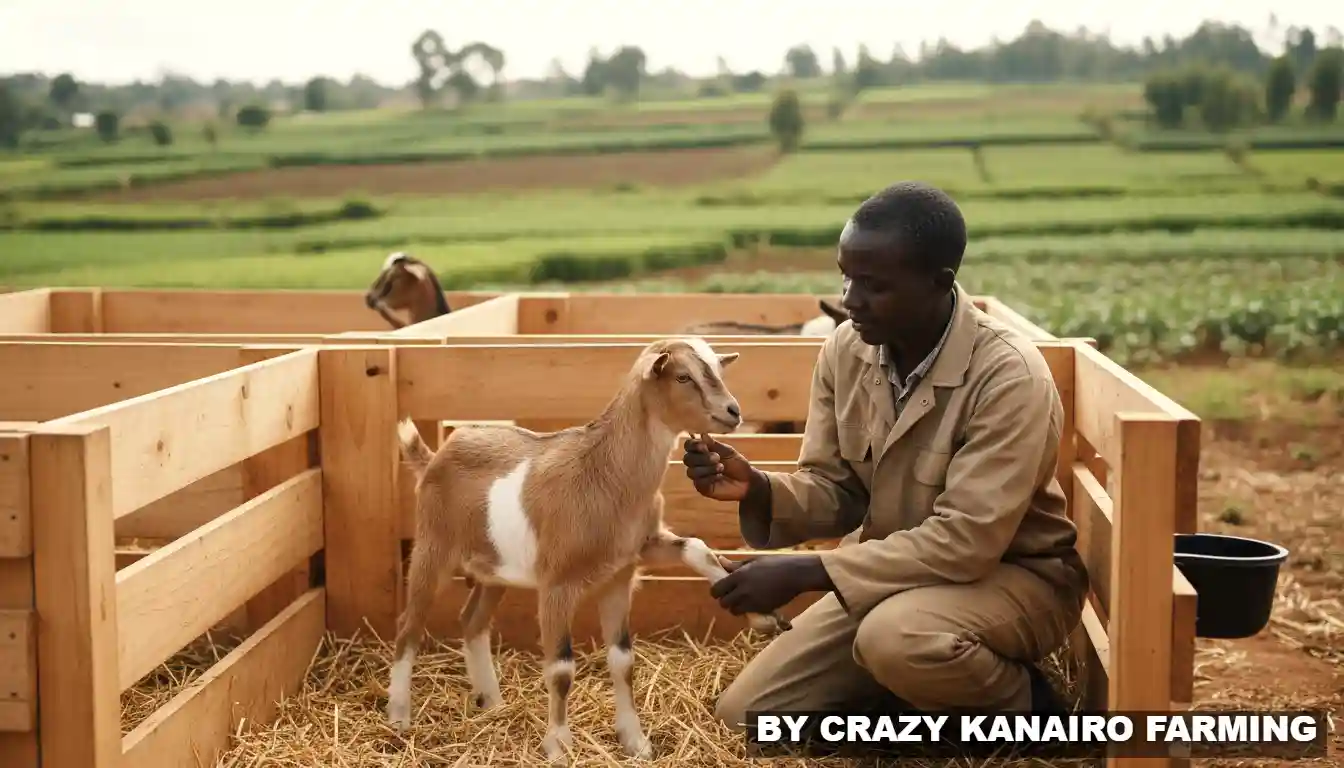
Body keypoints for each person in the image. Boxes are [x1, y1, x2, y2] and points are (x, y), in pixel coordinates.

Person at [682, 181, 1089, 726]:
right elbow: (838, 489)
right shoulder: (846, 349)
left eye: (873, 285)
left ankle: (1029, 709)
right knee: (750, 715)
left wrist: (810, 571)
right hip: (892, 576)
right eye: (846, 276)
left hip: (1013, 578)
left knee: (896, 640)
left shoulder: (1008, 375)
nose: (850, 300)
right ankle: (922, 699)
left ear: (939, 283)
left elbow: (968, 543)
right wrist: (759, 488)